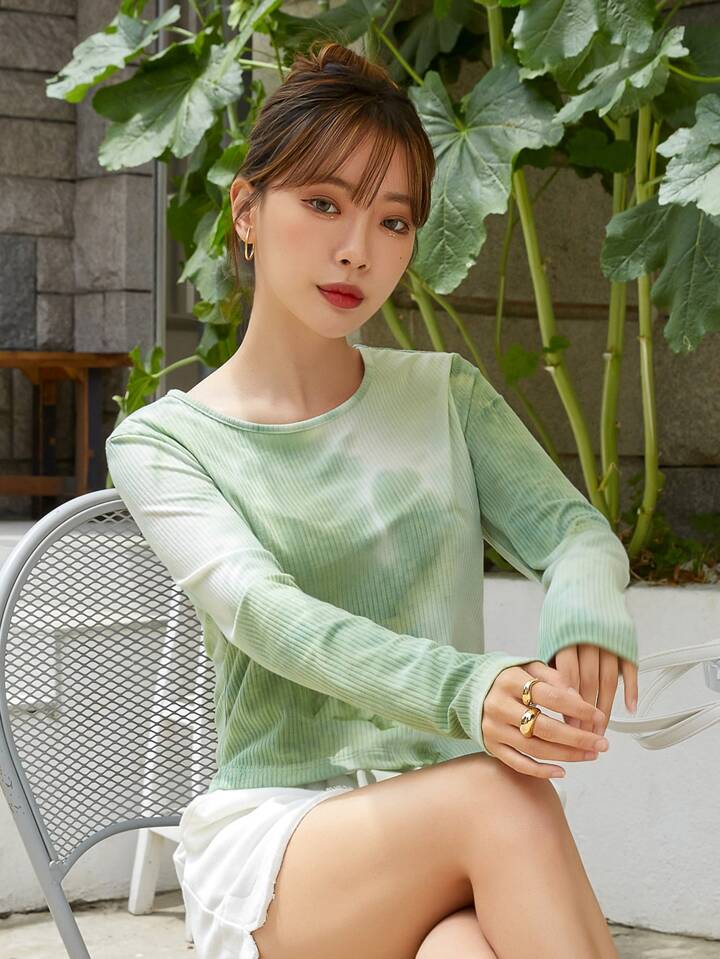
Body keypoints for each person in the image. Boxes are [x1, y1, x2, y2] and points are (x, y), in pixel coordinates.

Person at [105, 39, 639, 959]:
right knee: (502, 793)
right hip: (285, 843)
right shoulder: (166, 443)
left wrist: (585, 609)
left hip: (447, 838)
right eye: (324, 204)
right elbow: (272, 619)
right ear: (246, 209)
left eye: (393, 221)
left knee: (465, 949)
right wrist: (468, 689)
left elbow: (573, 533)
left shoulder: (443, 394)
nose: (358, 249)